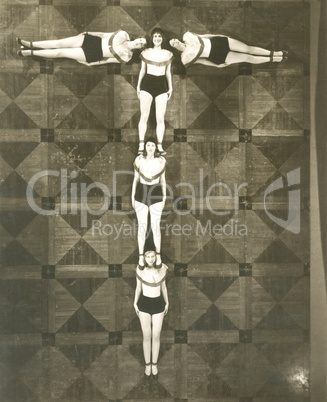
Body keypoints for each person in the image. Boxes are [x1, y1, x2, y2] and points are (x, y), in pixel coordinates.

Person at [137, 28, 173, 155]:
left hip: (161, 85)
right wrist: (138, 86)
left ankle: (160, 146)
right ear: (152, 39)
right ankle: (141, 145)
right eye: (155, 36)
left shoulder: (168, 54)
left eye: (159, 36)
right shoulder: (146, 52)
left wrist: (171, 87)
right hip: (147, 83)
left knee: (160, 117)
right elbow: (142, 70)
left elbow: (168, 72)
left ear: (162, 39)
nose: (157, 38)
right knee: (144, 115)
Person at [131, 137, 166, 270]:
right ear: (145, 147)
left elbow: (163, 180)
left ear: (156, 147)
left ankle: (158, 256)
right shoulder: (139, 160)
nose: (150, 147)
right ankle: (141, 256)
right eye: (148, 145)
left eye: (153, 145)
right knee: (142, 226)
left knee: (156, 226)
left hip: (156, 191)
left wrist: (164, 197)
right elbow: (135, 179)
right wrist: (132, 196)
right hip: (141, 192)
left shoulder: (161, 161)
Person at [16, 30, 146, 66]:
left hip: (93, 54)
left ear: (139, 48)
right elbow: (103, 34)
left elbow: (107, 61)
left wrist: (91, 64)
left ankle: (29, 52)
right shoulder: (123, 34)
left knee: (61, 52)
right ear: (138, 38)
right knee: (59, 43)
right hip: (92, 40)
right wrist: (88, 33)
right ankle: (30, 44)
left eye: (141, 44)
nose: (139, 43)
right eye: (140, 40)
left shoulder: (127, 57)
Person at [134, 250, 169, 379]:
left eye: (152, 256)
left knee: (156, 335)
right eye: (147, 256)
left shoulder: (162, 269)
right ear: (144, 257)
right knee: (147, 335)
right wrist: (135, 303)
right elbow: (138, 288)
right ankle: (147, 365)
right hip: (144, 303)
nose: (150, 259)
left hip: (158, 303)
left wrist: (167, 302)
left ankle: (154, 364)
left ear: (156, 257)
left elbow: (164, 287)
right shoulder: (140, 269)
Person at [169, 32, 288, 68]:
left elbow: (205, 36)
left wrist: (220, 36)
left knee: (248, 48)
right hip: (216, 56)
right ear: (174, 48)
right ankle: (273, 59)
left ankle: (275, 53)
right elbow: (202, 61)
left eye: (174, 39)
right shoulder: (185, 57)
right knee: (246, 58)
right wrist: (217, 66)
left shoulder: (187, 36)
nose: (176, 41)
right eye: (173, 43)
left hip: (218, 42)